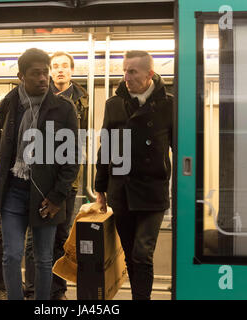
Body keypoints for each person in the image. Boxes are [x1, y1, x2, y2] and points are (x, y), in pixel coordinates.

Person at [0, 48, 79, 300]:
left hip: (45, 195)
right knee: (11, 254)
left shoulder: (63, 108)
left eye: (46, 72)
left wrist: (57, 197)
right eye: (36, 74)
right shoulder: (10, 103)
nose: (44, 78)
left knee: (42, 258)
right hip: (13, 191)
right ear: (21, 76)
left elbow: (72, 157)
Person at [95, 50, 173, 300]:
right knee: (129, 253)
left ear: (150, 74)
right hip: (122, 190)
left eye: (132, 71)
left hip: (153, 192)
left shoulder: (169, 104)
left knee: (142, 252)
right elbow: (105, 146)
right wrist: (100, 188)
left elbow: (181, 148)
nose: (125, 77)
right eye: (124, 70)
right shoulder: (114, 104)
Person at [24, 51, 88, 300]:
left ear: (72, 71)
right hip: (38, 179)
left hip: (67, 182)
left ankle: (57, 291)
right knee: (34, 239)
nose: (60, 70)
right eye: (55, 66)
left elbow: (79, 143)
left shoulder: (82, 101)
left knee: (62, 237)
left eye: (65, 66)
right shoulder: (38, 97)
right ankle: (32, 289)